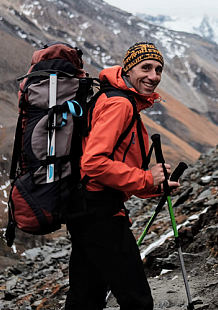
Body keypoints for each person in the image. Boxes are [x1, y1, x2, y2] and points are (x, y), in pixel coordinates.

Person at [65, 42, 180, 310]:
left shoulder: (112, 98)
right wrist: (147, 179)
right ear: (128, 69)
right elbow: (94, 163)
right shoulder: (120, 104)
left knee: (85, 298)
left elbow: (111, 165)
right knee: (136, 299)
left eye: (159, 69)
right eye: (146, 68)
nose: (154, 76)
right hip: (100, 213)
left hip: (83, 210)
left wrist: (153, 187)